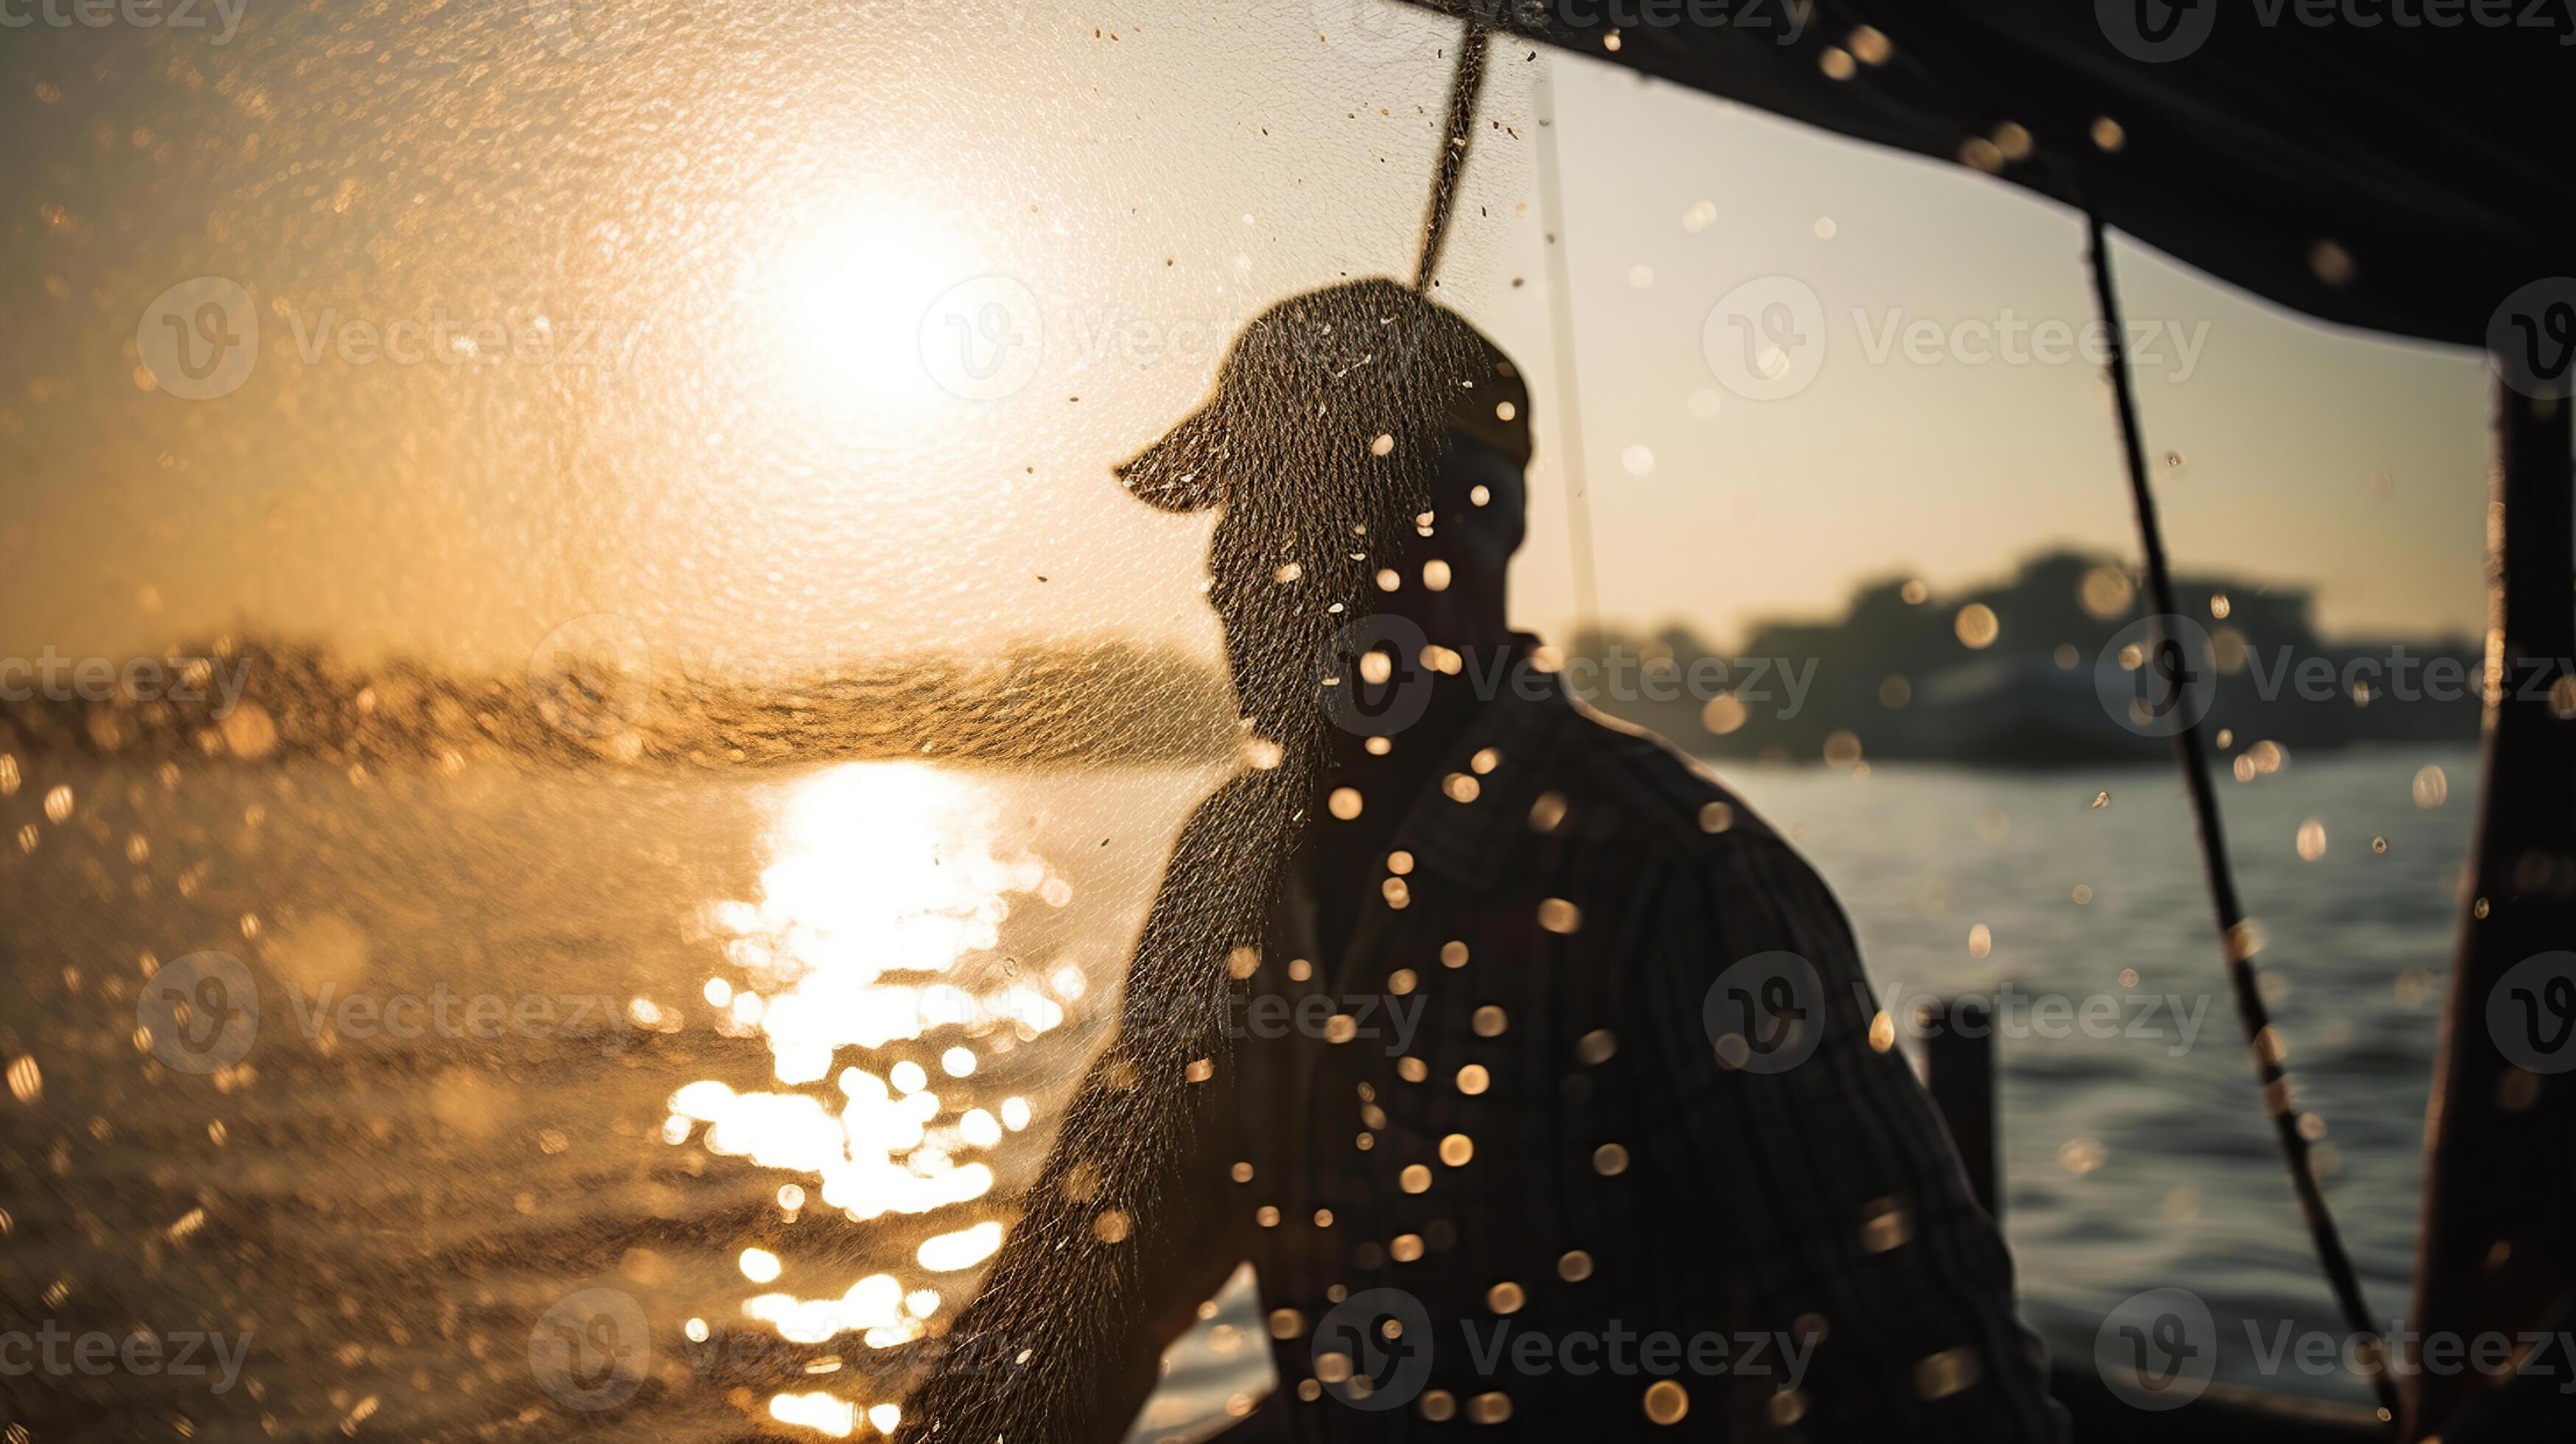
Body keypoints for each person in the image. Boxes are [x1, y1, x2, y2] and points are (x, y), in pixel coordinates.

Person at [894, 278, 2066, 1441]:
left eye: (1261, 510)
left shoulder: (1671, 878)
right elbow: (1086, 1291)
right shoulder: (1230, 863)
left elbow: (1935, 1384)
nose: (1217, 572)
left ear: (1436, 538)